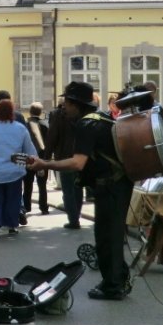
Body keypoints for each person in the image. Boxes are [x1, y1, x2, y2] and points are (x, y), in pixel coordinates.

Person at [28, 82, 133, 300]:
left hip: (110, 186)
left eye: (67, 102)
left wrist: (45, 164)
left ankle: (112, 286)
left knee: (107, 238)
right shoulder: (103, 117)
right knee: (111, 235)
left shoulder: (86, 125)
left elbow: (77, 163)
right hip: (118, 184)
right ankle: (118, 279)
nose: (64, 106)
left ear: (77, 104)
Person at [0, 99, 37, 238]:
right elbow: (29, 149)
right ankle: (11, 225)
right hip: (15, 170)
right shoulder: (20, 128)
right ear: (12, 111)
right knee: (13, 199)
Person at [47, 98, 83, 229]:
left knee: (68, 190)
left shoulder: (57, 115)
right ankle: (76, 215)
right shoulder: (80, 113)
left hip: (63, 157)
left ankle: (73, 219)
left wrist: (46, 157)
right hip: (79, 155)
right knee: (77, 188)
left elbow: (52, 136)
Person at [23, 101, 50, 215]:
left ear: (30, 112)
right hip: (42, 158)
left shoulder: (25, 125)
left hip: (29, 158)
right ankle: (43, 207)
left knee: (28, 184)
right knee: (42, 184)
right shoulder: (45, 124)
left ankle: (26, 206)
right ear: (40, 112)